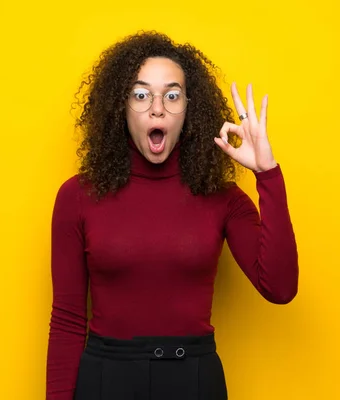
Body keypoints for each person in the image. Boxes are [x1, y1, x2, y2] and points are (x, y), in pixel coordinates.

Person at [46, 30, 299, 400]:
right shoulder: (76, 197)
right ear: (122, 105)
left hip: (194, 382)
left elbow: (280, 288)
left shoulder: (223, 198)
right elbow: (67, 321)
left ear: (188, 109)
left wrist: (267, 174)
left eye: (172, 95)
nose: (157, 107)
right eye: (141, 94)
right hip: (105, 380)